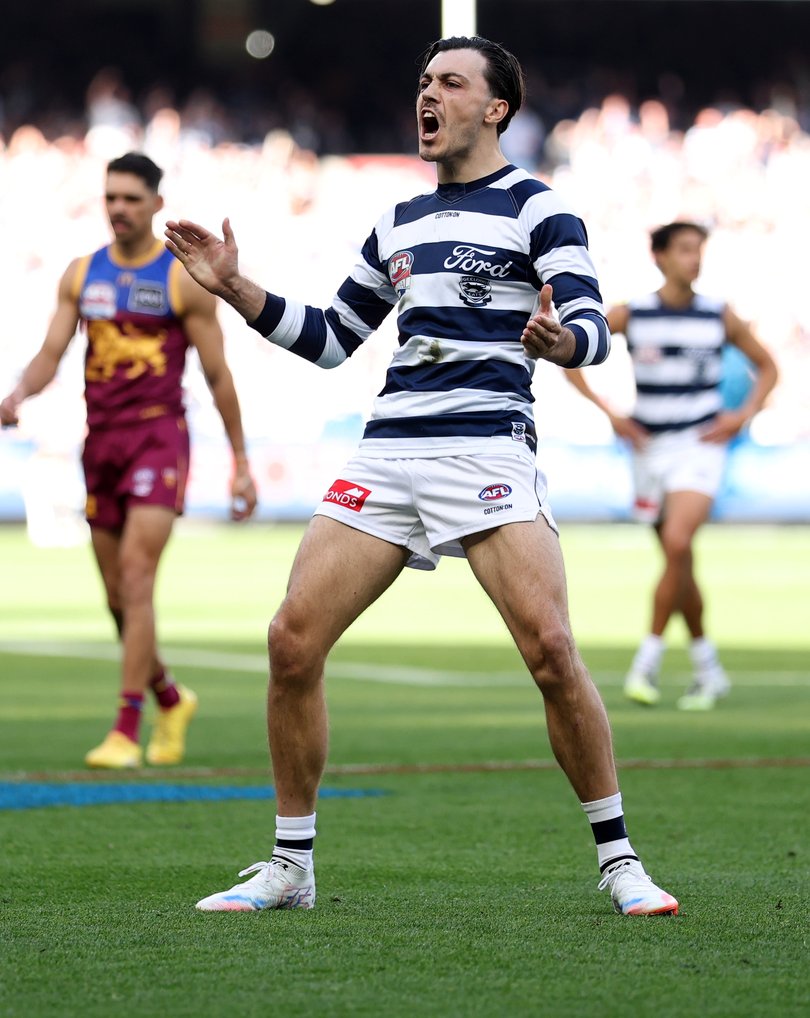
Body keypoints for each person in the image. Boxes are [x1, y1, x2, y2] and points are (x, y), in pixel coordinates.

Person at [165, 37, 678, 917]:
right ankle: (292, 866)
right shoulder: (397, 220)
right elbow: (331, 339)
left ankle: (620, 860)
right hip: (389, 451)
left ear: (496, 108)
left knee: (551, 652)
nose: (427, 96)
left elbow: (590, 320)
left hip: (487, 450)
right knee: (292, 642)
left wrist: (564, 342)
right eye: (423, 83)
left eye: (449, 82)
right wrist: (234, 287)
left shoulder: (540, 208)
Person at [0, 152, 258, 768]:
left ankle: (125, 729)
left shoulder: (179, 280)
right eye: (111, 197)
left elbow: (219, 375)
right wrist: (16, 394)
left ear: (155, 206)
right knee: (118, 596)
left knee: (138, 580)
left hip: (158, 438)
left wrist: (241, 460)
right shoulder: (81, 274)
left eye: (131, 199)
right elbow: (50, 354)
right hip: (102, 444)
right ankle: (170, 698)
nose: (118, 208)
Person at [567, 221, 778, 710]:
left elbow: (769, 367)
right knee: (678, 563)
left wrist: (743, 416)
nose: (694, 259)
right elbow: (572, 351)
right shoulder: (633, 313)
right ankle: (709, 671)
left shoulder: (718, 315)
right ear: (659, 256)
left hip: (700, 445)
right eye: (685, 250)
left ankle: (648, 662)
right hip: (649, 451)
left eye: (699, 250)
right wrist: (611, 414)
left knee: (679, 543)